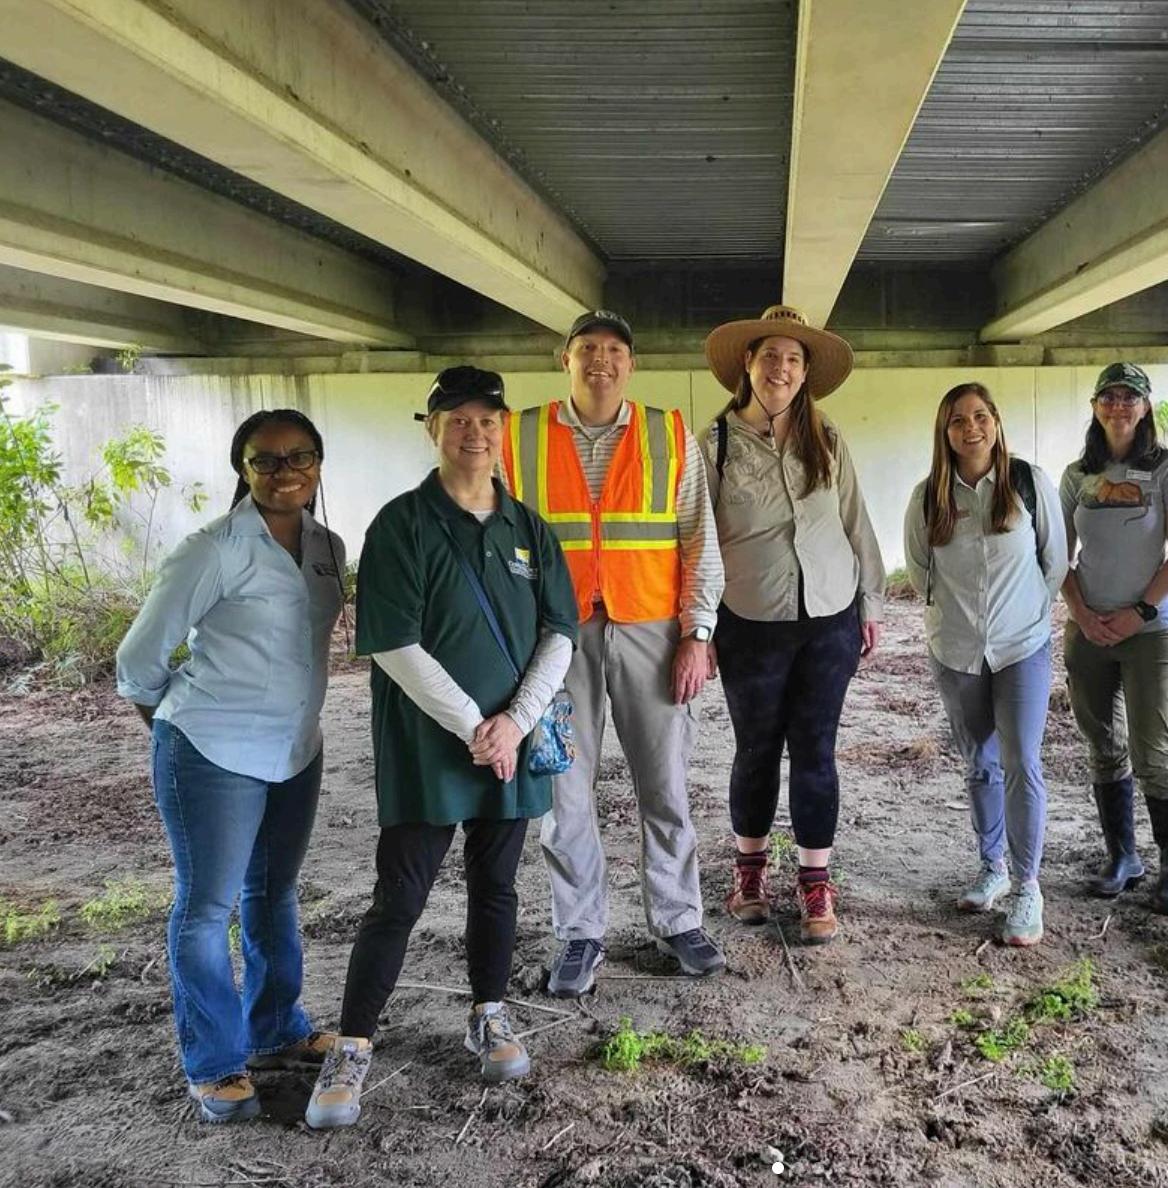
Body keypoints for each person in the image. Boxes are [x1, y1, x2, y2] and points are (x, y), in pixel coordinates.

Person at [305, 366, 579, 1129]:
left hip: (510, 747)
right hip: (428, 748)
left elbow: (560, 632)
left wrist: (515, 723)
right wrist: (474, 727)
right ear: (433, 428)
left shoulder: (529, 528)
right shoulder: (401, 524)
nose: (474, 432)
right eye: (457, 418)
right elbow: (394, 643)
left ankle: (489, 1013)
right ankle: (352, 1045)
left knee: (497, 888)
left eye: (487, 419)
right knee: (399, 896)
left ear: (503, 429)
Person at [116, 409, 345, 1123]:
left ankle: (275, 1028)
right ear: (242, 471)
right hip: (212, 751)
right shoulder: (211, 550)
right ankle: (214, 1062)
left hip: (294, 749)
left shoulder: (326, 546)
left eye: (299, 456)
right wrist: (181, 734)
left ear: (318, 464)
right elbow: (137, 663)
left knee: (273, 894)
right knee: (206, 909)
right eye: (264, 460)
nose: (284, 472)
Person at [500, 310, 727, 998]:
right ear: (565, 359)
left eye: (615, 350)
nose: (601, 359)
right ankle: (579, 933)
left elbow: (699, 538)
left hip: (652, 630)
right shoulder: (518, 435)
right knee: (563, 788)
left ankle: (679, 920)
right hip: (553, 639)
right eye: (588, 349)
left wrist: (697, 634)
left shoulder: (669, 433)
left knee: (665, 784)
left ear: (631, 364)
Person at [700, 304, 886, 945]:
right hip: (748, 620)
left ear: (806, 372)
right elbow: (696, 541)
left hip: (829, 619)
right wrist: (699, 628)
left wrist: (871, 603)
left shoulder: (827, 437)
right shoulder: (714, 444)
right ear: (748, 363)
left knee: (815, 751)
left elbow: (856, 520)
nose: (781, 368)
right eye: (770, 355)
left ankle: (814, 884)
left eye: (794, 359)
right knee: (755, 750)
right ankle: (749, 877)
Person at [904, 383, 1067, 945]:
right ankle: (992, 866)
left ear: (995, 421)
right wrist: (954, 623)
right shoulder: (928, 497)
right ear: (944, 432)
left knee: (1022, 761)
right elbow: (920, 572)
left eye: (980, 416)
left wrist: (1025, 613)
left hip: (1022, 647)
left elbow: (1054, 561)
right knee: (979, 762)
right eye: (957, 420)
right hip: (956, 651)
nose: (970, 428)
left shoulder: (1027, 482)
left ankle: (1027, 886)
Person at [1059, 363, 1168, 915]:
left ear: (1145, 407)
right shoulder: (1077, 475)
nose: (1119, 406)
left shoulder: (1167, 468)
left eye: (1130, 397)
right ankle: (1122, 856)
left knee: (1154, 748)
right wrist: (1082, 614)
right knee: (1103, 744)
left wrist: (1139, 613)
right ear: (1096, 406)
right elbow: (1058, 556)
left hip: (1149, 631)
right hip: (1089, 629)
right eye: (1109, 397)